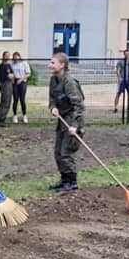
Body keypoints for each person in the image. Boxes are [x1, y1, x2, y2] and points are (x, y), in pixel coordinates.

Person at [48, 51, 85, 193]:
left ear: (62, 65)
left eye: (53, 63)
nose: (50, 65)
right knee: (58, 152)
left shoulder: (70, 82)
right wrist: (53, 108)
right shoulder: (53, 80)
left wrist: (75, 126)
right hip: (62, 119)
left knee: (66, 152)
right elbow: (52, 99)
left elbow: (79, 106)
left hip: (72, 120)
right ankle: (64, 180)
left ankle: (72, 182)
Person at [11, 52, 31, 123]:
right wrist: (12, 79)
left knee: (22, 99)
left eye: (17, 57)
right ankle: (15, 115)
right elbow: (11, 73)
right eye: (14, 57)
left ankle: (24, 115)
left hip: (22, 81)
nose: (16, 59)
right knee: (15, 99)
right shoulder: (12, 64)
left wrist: (21, 79)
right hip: (15, 82)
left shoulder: (24, 63)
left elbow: (28, 73)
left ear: (19, 57)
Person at [113, 48, 129, 113]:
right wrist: (119, 78)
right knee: (118, 93)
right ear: (124, 54)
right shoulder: (120, 61)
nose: (127, 55)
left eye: (128, 54)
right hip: (122, 80)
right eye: (126, 54)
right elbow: (117, 70)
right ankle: (116, 107)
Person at [0, 51, 15, 126]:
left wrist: (11, 76)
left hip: (9, 83)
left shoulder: (8, 65)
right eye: (6, 55)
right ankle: (1, 119)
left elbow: (12, 74)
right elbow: (7, 76)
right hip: (5, 84)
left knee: (8, 101)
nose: (8, 57)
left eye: (9, 55)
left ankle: (2, 118)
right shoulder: (2, 66)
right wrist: (10, 76)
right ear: (3, 56)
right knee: (5, 101)